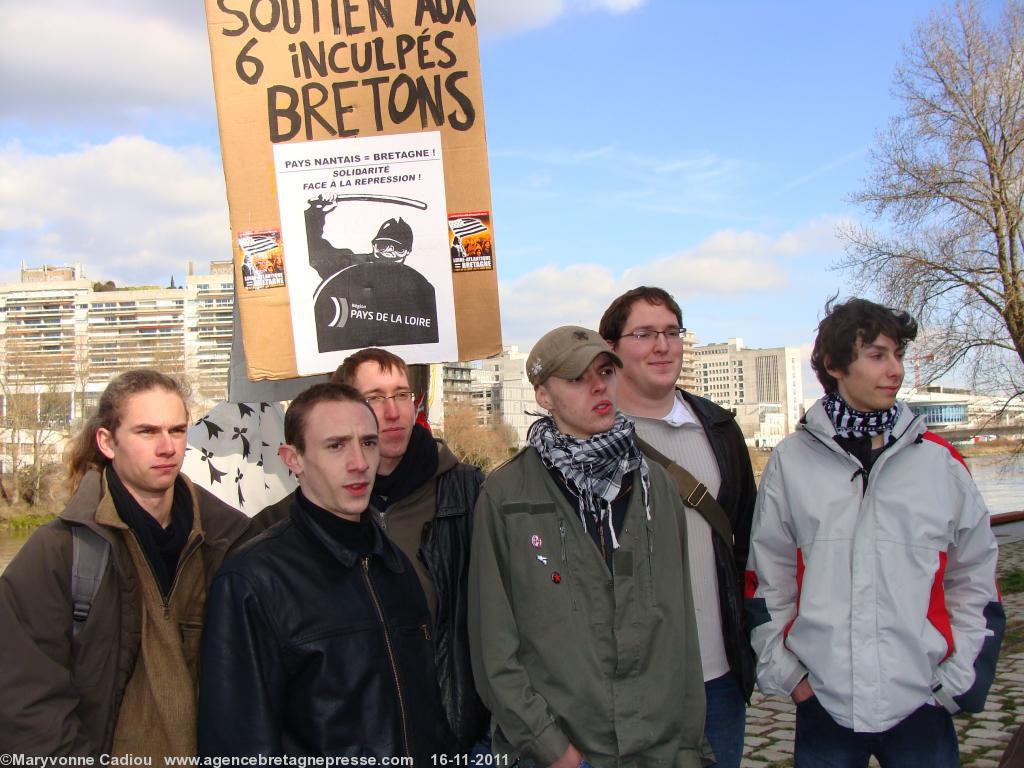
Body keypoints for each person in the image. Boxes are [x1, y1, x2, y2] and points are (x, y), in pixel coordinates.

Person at [745, 298, 1005, 767]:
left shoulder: (940, 461)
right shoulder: (791, 462)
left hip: (921, 701)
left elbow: (977, 575)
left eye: (899, 355)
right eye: (878, 355)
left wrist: (957, 677)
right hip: (824, 703)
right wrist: (789, 675)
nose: (896, 370)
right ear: (834, 365)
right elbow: (767, 579)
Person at [469, 326, 710, 767]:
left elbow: (680, 628)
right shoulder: (506, 495)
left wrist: (689, 744)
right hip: (562, 751)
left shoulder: (657, 484)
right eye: (577, 379)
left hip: (658, 748)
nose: (598, 386)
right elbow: (493, 647)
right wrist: (551, 748)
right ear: (544, 396)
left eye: (604, 371)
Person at [0, 369, 250, 758]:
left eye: (178, 430)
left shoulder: (231, 541)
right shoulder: (58, 552)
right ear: (107, 441)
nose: (167, 447)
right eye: (147, 432)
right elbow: (26, 702)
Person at [198, 383, 452, 759]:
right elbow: (238, 744)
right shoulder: (253, 581)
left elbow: (425, 712)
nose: (360, 463)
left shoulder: (396, 565)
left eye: (368, 443)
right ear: (293, 458)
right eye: (336, 446)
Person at [253, 348, 489, 753]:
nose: (393, 412)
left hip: (459, 734)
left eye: (402, 394)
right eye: (375, 398)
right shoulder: (278, 532)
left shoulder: (469, 492)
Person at [600, 287, 756, 768]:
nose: (662, 346)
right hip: (626, 681)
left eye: (672, 332)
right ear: (612, 349)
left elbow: (748, 540)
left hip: (717, 674)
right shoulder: (586, 437)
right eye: (644, 334)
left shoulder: (719, 429)